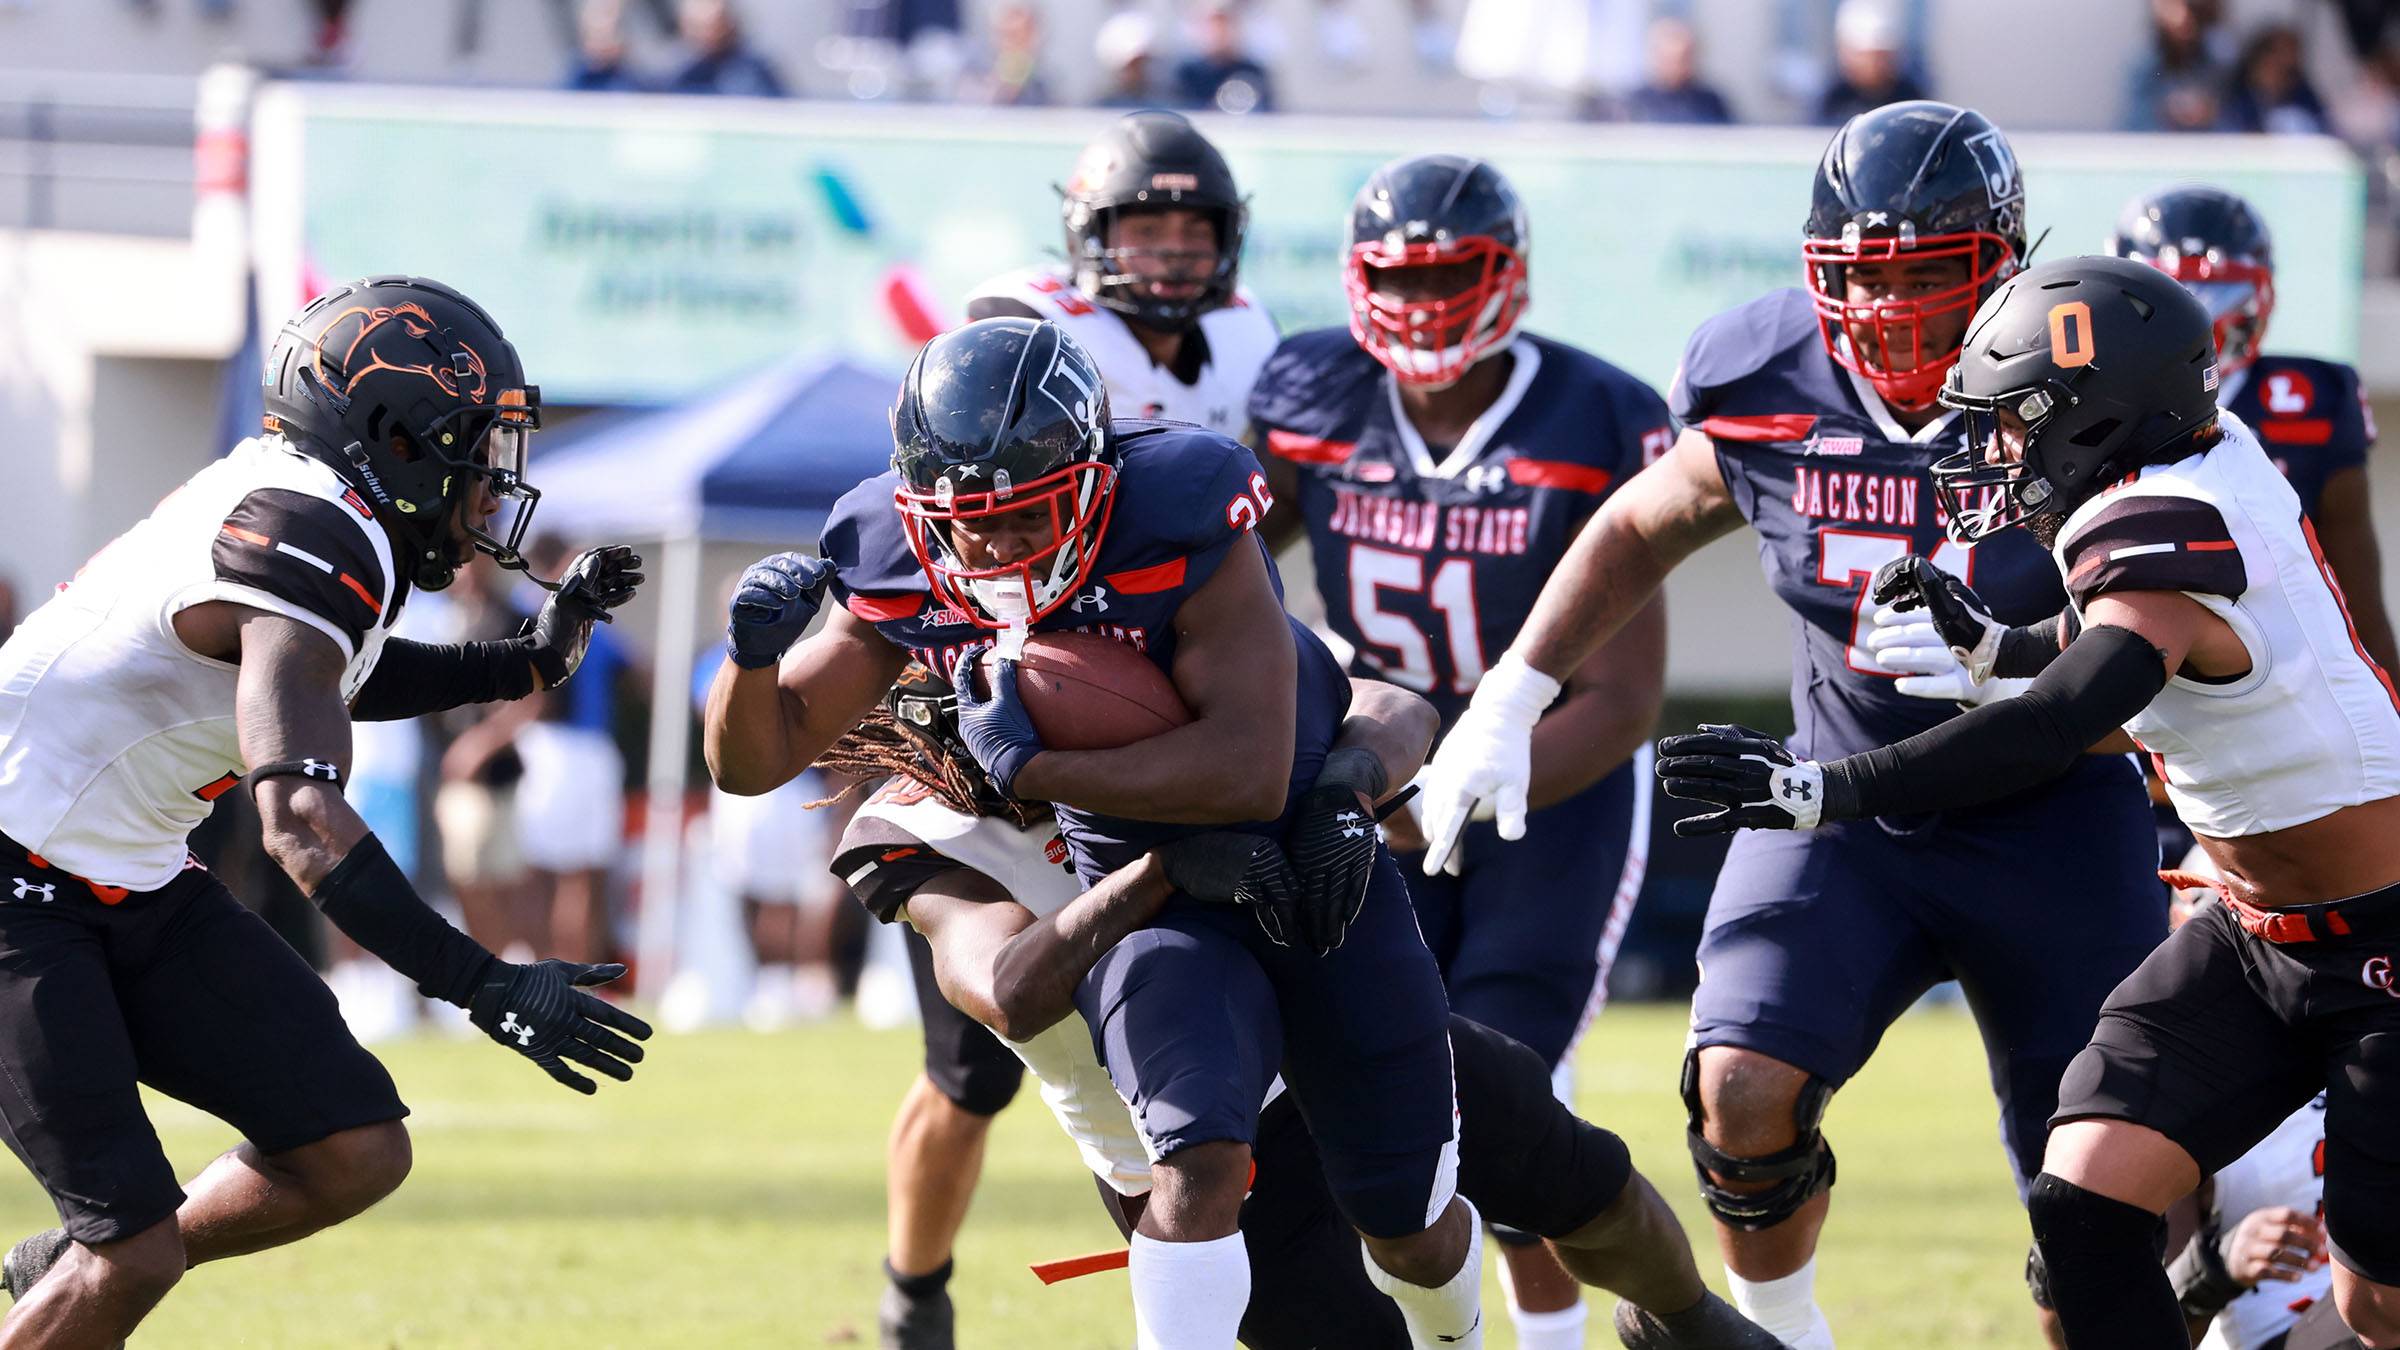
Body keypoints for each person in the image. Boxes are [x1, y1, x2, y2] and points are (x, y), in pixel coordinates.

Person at [1412, 103, 2169, 1350]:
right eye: (1865, 280)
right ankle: (1775, 1333)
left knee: (2103, 1179)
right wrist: (1516, 688)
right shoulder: (1763, 371)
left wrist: (2010, 669)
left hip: (2057, 810)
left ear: (2006, 261)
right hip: (1839, 802)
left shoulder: (2093, 383)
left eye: (1931, 276)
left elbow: (2167, 630)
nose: (1896, 314)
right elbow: (1644, 520)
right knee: (1740, 1088)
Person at [1650, 252, 2400, 1349]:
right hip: (2256, 934)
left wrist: (1818, 791)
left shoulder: (2168, 525)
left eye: (2015, 419)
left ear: (2097, 419)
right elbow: (2128, 647)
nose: (1994, 449)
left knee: (2376, 1304)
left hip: (2380, 940)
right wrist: (2001, 646)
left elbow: (2057, 724)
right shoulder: (2202, 462)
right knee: (2086, 1200)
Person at [708, 317, 1482, 1350]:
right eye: (963, 522)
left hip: (1297, 864)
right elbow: (752, 762)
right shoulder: (907, 693)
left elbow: (1257, 767)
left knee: (1412, 1224)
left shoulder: (1179, 511)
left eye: (1024, 516)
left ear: (1090, 479)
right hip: (1144, 903)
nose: (990, 548)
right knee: (1197, 1170)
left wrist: (1037, 765)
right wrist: (749, 666)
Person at [0, 276, 654, 1345]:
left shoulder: (312, 511)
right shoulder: (303, 526)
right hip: (16, 878)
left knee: (351, 1145)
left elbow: (329, 670)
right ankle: (92, 1268)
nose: (488, 489)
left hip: (121, 872)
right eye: (477, 452)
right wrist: (479, 982)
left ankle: (71, 1270)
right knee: (131, 1250)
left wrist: (525, 661)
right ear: (400, 438)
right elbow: (299, 819)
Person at [811, 665, 1781, 1350]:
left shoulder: (1158, 653)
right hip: (1189, 1150)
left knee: (1577, 1173)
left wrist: (1346, 783)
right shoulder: (915, 831)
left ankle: (1688, 1321)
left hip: (1333, 1017)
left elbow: (1392, 704)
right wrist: (1159, 873)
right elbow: (1010, 989)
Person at [857, 109, 1281, 1348]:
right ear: (1087, 234)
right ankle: (913, 1294)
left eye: (1190, 228)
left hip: (1168, 704)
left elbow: (1245, 527)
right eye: (1141, 225)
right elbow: (955, 509)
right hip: (1019, 687)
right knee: (977, 1061)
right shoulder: (1021, 326)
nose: (1166, 253)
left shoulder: (1249, 339)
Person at [1248, 152, 1670, 1350]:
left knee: (1501, 1085)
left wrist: (1461, 792)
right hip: (1372, 787)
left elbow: (1625, 693)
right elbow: (1220, 575)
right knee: (1389, 1081)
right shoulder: (1312, 393)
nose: (1425, 305)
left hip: (1550, 786)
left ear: (1508, 276)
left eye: (1453, 277)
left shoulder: (1598, 414)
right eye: (1399, 277)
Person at [2108, 185, 2391, 672]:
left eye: (2223, 294)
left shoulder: (2316, 396)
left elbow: (2357, 600)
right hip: (2127, 653)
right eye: (2175, 296)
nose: (2205, 320)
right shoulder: (2093, 395)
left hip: (2287, 668)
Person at [966, 110, 1278, 440]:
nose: (1175, 253)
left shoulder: (1247, 328)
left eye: (1197, 231)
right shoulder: (1025, 323)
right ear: (1089, 234)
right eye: (1147, 231)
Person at [1813, 0, 1927, 126]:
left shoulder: (1908, 93)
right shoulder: (1832, 96)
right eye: (1868, 56)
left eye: (1882, 55)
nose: (1875, 64)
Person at [1624, 17, 1734, 125]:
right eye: (1668, 59)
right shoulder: (1634, 102)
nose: (1676, 67)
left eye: (1683, 59)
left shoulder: (1710, 102)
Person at [667, 0, 786, 97]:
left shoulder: (755, 68)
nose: (710, 34)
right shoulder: (674, 73)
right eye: (700, 27)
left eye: (716, 26)